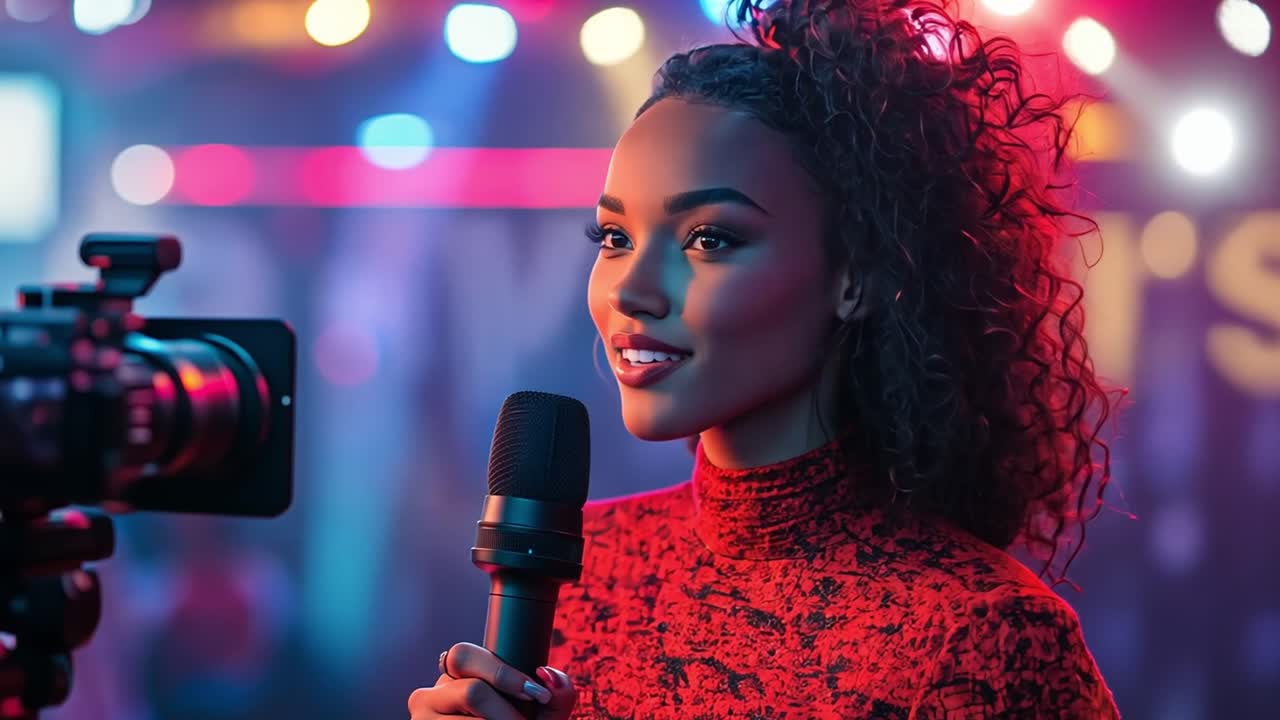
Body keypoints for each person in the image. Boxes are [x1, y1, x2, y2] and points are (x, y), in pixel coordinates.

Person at [408, 0, 1122, 717]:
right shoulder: (583, 568)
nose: (631, 287)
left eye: (709, 238)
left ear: (856, 276)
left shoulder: (984, 639)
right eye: (615, 237)